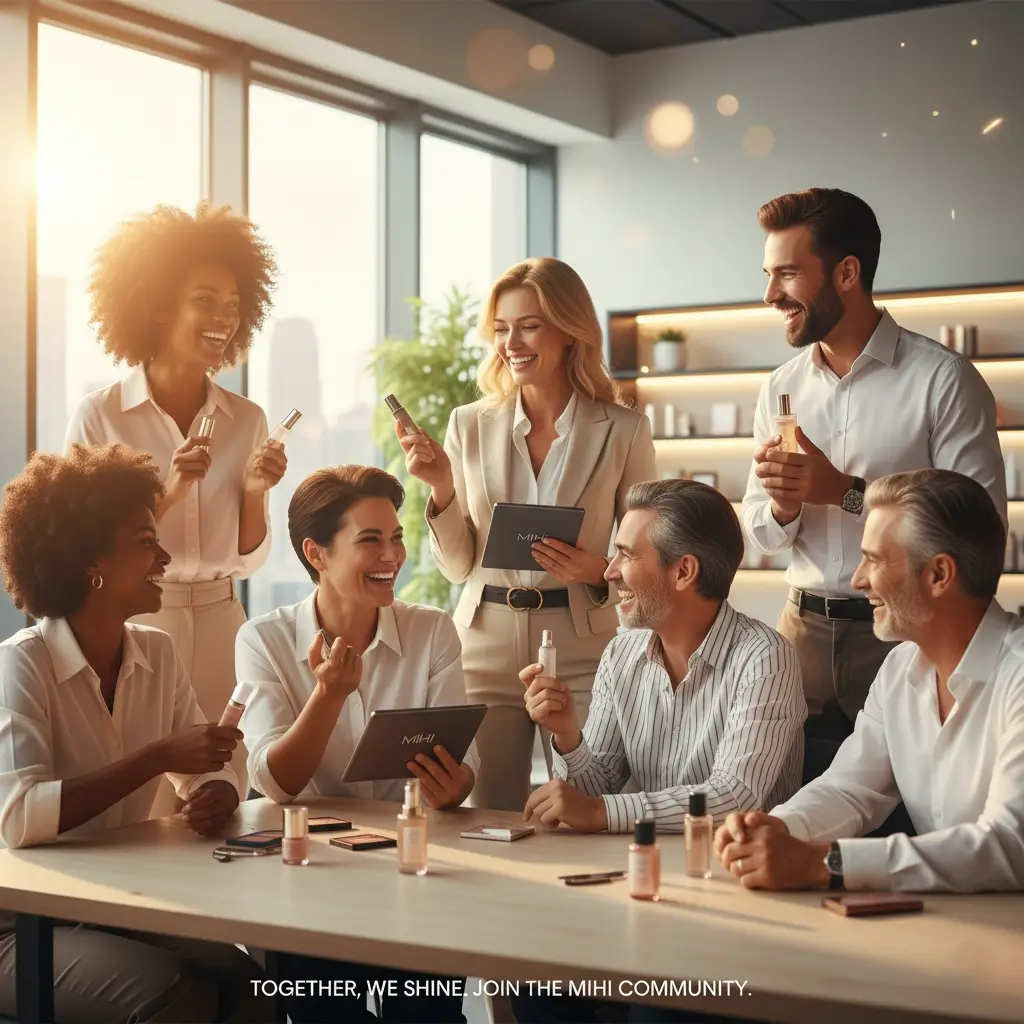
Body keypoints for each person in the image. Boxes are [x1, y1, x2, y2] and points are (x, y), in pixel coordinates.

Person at [0, 444, 273, 1023]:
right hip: (16, 922)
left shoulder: (156, 650)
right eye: (146, 542)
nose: (166, 556)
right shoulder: (21, 665)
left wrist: (220, 787)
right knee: (173, 993)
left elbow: (208, 758)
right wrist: (157, 758)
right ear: (88, 565)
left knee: (249, 983)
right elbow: (20, 817)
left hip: (110, 900)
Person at [741, 188, 1006, 746]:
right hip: (800, 635)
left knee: (910, 810)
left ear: (847, 272)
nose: (769, 294)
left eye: (787, 274)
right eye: (768, 274)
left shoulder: (943, 380)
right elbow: (762, 533)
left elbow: (980, 535)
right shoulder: (779, 387)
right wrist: (786, 506)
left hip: (908, 635)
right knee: (802, 801)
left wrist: (845, 492)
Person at [400, 257, 657, 811]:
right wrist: (441, 488)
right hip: (485, 640)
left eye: (528, 326)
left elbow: (650, 547)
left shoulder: (625, 429)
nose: (509, 342)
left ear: (569, 331)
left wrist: (594, 570)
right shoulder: (468, 423)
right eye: (500, 329)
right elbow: (458, 565)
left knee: (587, 801)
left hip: (583, 640)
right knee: (485, 810)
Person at [64, 202, 288, 805]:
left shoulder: (247, 418)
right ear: (159, 303)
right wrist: (169, 492)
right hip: (135, 619)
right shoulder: (101, 414)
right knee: (143, 796)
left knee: (221, 790)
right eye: (205, 300)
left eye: (234, 305)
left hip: (221, 617)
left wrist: (253, 492)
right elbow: (81, 544)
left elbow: (248, 557)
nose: (224, 318)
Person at [236, 465, 474, 1023]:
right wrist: (328, 695)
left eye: (395, 537)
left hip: (413, 869)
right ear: (316, 554)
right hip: (310, 876)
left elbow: (464, 772)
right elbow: (274, 781)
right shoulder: (263, 640)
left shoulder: (432, 632)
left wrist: (457, 786)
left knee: (428, 1016)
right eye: (370, 540)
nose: (392, 555)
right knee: (325, 1015)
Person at [718, 469, 1024, 894]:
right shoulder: (900, 668)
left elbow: (1010, 845)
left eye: (875, 560)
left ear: (938, 575)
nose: (858, 580)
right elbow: (850, 789)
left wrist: (828, 863)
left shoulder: (1019, 677)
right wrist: (774, 829)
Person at [521, 479, 806, 835]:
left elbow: (735, 796)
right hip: (642, 864)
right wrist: (567, 735)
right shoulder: (620, 654)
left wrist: (601, 813)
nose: (609, 572)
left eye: (627, 554)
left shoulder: (765, 659)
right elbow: (592, 796)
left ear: (684, 571)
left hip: (736, 872)